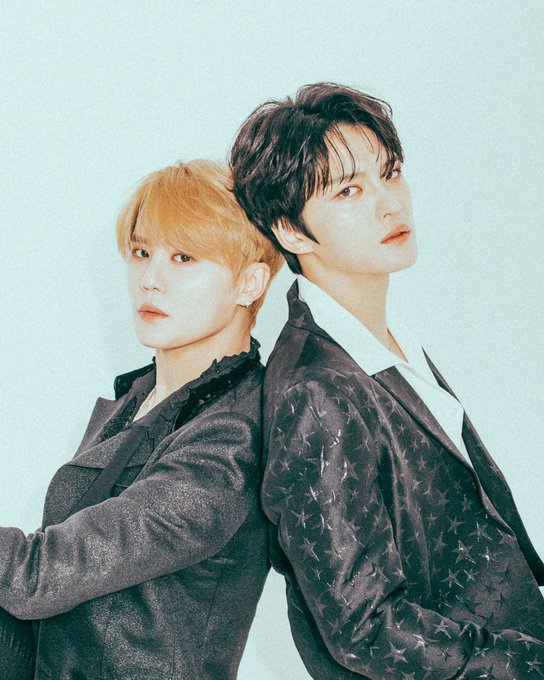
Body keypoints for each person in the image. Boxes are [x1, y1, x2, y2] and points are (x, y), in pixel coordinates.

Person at [229, 83, 544, 679]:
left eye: (390, 174)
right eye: (348, 190)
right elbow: (365, 626)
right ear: (290, 231)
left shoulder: (380, 339)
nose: (388, 204)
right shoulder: (315, 391)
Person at [0, 159, 283, 679]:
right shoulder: (143, 395)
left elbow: (38, 576)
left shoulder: (231, 439)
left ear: (250, 282)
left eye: (183, 257)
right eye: (141, 252)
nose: (150, 279)